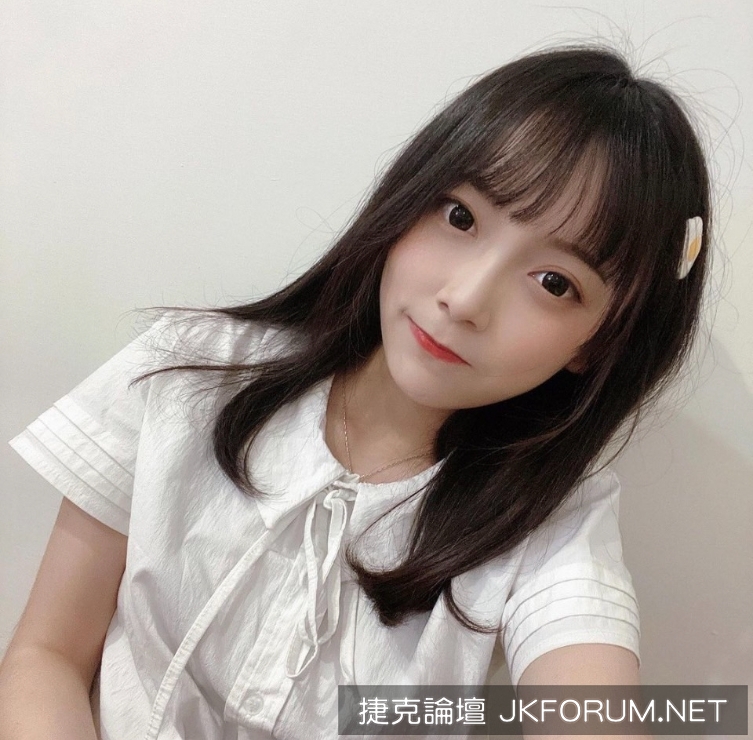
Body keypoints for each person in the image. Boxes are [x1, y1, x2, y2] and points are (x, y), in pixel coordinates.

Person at [0, 44, 709, 740]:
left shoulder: (553, 524)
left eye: (554, 283)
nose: (464, 300)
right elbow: (47, 655)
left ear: (596, 345)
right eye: (460, 217)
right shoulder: (190, 373)